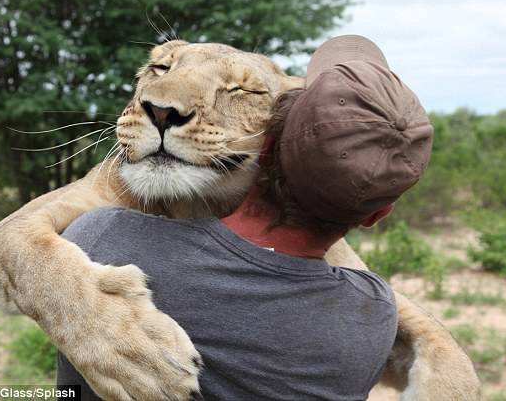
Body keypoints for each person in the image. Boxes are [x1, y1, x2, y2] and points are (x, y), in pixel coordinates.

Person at [57, 35, 433, 400]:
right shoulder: (374, 313)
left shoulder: (101, 238)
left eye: (244, 92)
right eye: (158, 68)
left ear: (267, 143)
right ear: (378, 214)